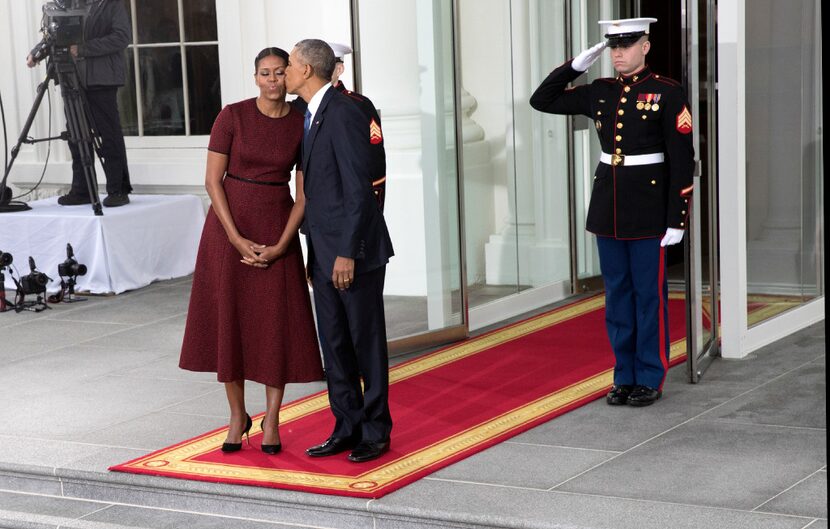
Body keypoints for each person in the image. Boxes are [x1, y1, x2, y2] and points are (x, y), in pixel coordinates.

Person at [530, 18, 694, 407]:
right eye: (613, 47)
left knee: (647, 296)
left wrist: (677, 218)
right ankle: (624, 374)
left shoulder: (666, 93)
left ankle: (649, 376)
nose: (618, 53)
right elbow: (542, 100)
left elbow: (682, 161)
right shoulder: (599, 91)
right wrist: (574, 67)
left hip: (649, 210)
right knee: (617, 297)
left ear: (645, 46)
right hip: (609, 207)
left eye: (627, 45)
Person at [179, 47, 323, 454]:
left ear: (290, 75)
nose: (273, 80)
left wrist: (282, 245)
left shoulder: (302, 120)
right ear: (255, 77)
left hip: (278, 225)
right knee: (233, 321)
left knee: (274, 324)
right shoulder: (233, 115)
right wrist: (236, 238)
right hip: (229, 230)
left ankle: (273, 419)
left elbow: (304, 192)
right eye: (265, 73)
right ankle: (237, 415)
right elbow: (212, 181)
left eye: (280, 72)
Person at [285, 39, 395, 463]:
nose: (288, 72)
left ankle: (376, 431)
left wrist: (347, 253)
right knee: (334, 344)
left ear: (309, 70)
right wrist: (319, 256)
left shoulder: (346, 111)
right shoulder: (312, 112)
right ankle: (346, 426)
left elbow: (360, 190)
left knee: (365, 344)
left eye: (291, 65)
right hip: (326, 252)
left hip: (355, 253)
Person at [26, 0, 133, 208]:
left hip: (102, 79)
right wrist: (37, 52)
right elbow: (54, 34)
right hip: (71, 79)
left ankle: (118, 189)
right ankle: (82, 190)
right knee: (76, 135)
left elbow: (122, 37)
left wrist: (83, 49)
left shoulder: (112, 5)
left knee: (109, 134)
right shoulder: (69, 4)